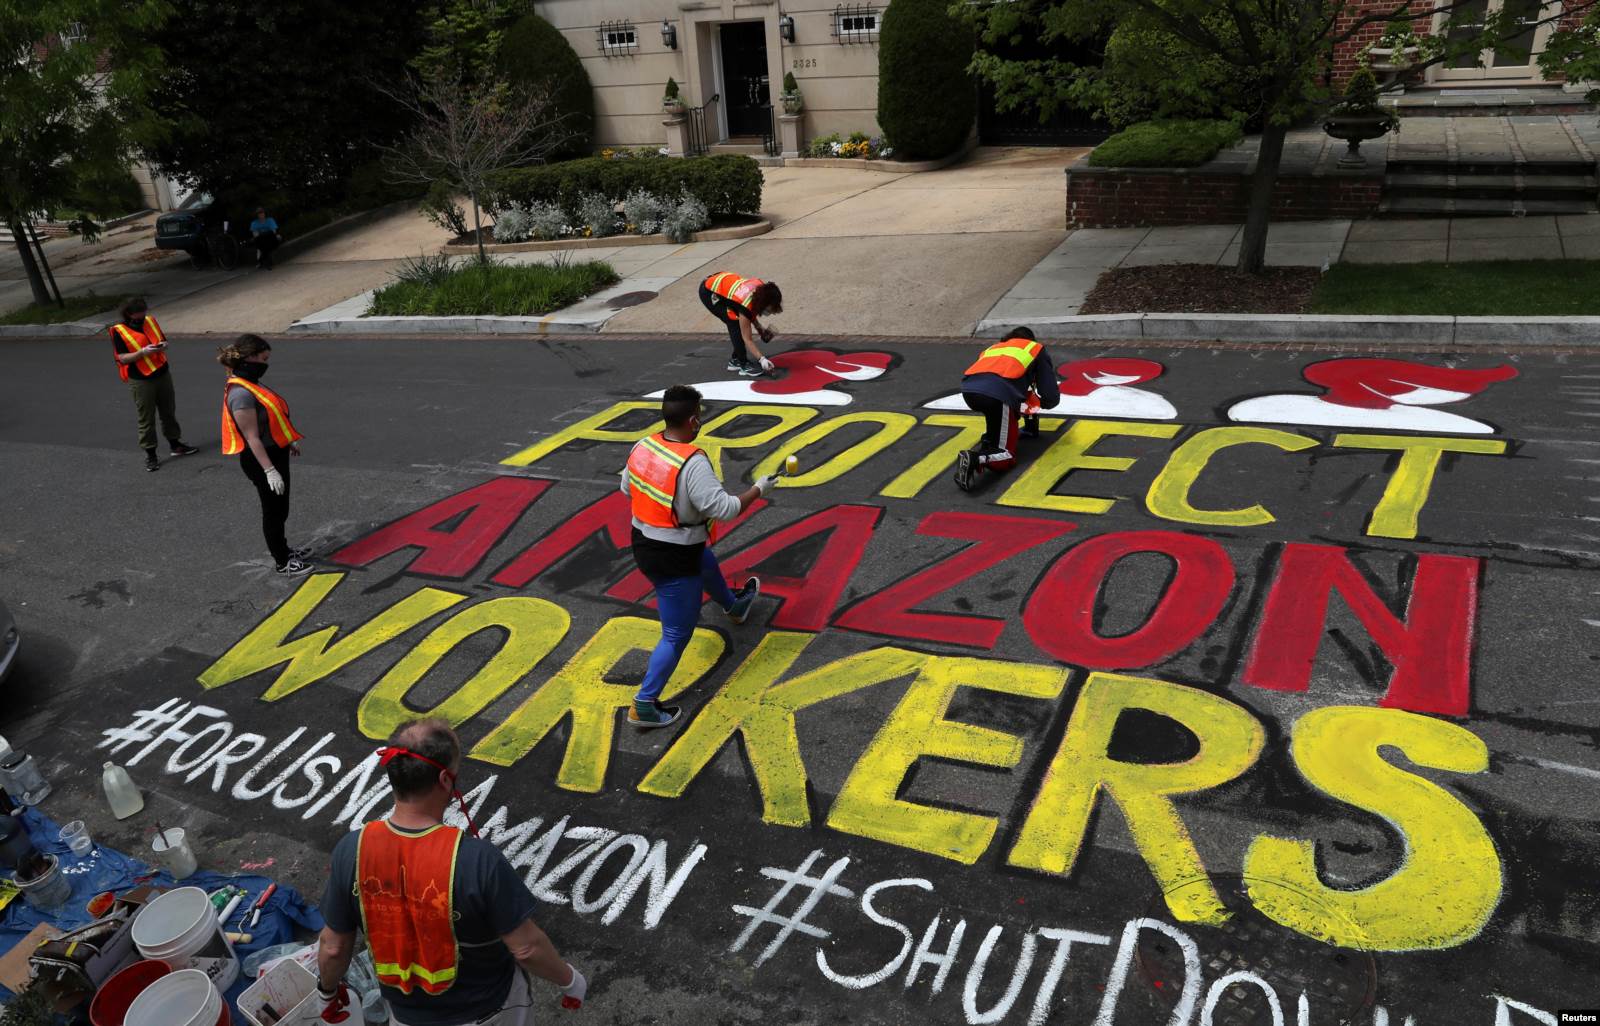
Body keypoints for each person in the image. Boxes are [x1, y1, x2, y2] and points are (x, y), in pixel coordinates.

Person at [316, 718, 589, 1026]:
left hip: (407, 1017)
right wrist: (571, 982)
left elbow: (334, 946)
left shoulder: (351, 850)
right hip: (486, 1011)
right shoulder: (476, 860)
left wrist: (326, 994)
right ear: (445, 780)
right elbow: (526, 948)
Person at [621, 384, 771, 728]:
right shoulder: (693, 462)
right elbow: (726, 508)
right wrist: (760, 488)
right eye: (699, 416)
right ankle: (644, 704)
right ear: (692, 420)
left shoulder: (643, 446)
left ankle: (734, 606)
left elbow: (627, 488)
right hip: (674, 555)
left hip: (644, 540)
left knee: (703, 558)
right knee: (676, 634)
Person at [218, 335, 312, 576]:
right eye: (263, 359)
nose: (265, 364)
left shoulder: (252, 383)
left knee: (281, 509)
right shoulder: (241, 394)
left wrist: (287, 439)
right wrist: (270, 471)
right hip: (260, 459)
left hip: (275, 452)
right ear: (249, 358)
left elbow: (271, 416)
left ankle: (285, 549)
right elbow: (252, 437)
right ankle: (282, 561)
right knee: (273, 511)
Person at [954, 328, 1061, 492]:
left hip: (970, 392)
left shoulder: (993, 349)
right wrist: (1045, 403)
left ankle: (989, 441)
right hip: (998, 393)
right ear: (1031, 339)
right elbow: (1048, 393)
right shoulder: (1034, 348)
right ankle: (977, 458)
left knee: (997, 412)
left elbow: (1011, 385)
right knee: (1006, 455)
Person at [110, 298, 200, 472]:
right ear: (129, 314)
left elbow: (162, 340)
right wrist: (142, 352)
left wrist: (163, 345)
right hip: (141, 379)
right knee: (146, 418)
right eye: (139, 313)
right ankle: (151, 455)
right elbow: (121, 357)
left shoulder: (150, 321)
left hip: (162, 373)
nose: (143, 316)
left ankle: (176, 445)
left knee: (168, 412)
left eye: (144, 312)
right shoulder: (118, 331)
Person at [698, 272, 782, 378]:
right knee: (734, 323)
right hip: (708, 292)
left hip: (719, 283)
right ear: (764, 303)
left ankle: (736, 358)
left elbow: (750, 310)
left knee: (740, 322)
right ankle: (743, 365)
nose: (771, 311)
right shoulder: (745, 304)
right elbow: (747, 338)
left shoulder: (760, 290)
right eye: (770, 308)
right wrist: (762, 359)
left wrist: (758, 327)